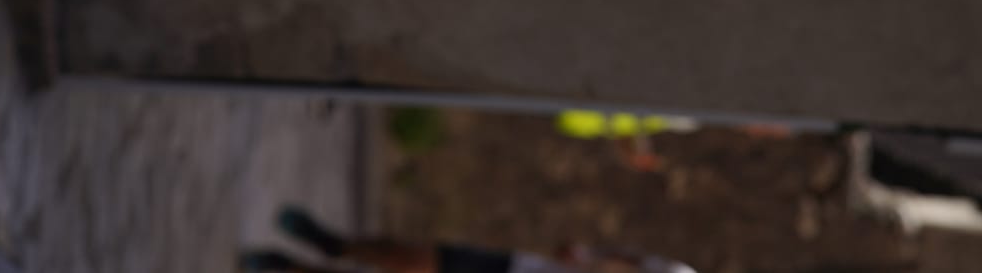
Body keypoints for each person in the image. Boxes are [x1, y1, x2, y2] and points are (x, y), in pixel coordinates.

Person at [242, 206, 698, 273]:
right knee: (412, 257)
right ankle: (336, 245)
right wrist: (590, 255)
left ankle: (290, 268)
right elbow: (628, 261)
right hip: (519, 271)